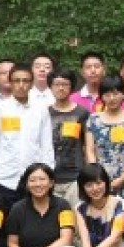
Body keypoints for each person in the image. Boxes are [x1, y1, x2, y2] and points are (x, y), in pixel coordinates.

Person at [6, 163, 81, 247]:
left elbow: (67, 239)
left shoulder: (63, 205)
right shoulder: (17, 208)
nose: (38, 184)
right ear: (27, 184)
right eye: (32, 180)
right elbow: (12, 243)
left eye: (42, 179)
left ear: (51, 182)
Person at [0, 63, 54, 209]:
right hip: (5, 178)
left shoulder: (41, 109)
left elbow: (46, 145)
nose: (21, 85)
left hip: (35, 181)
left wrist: (48, 175)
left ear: (31, 83)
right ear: (10, 82)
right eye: (17, 81)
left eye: (25, 81)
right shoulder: (0, 108)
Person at [85, 75, 124, 220]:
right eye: (107, 94)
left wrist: (123, 178)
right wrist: (98, 178)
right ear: (101, 96)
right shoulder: (93, 119)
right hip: (100, 181)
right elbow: (90, 149)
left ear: (123, 94)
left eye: (116, 93)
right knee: (102, 219)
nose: (112, 98)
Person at [48, 68, 90, 208]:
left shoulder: (82, 113)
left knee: (78, 218)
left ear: (72, 87)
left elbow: (88, 145)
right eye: (57, 84)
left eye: (65, 84)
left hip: (75, 176)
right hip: (50, 176)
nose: (61, 88)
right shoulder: (44, 113)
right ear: (51, 87)